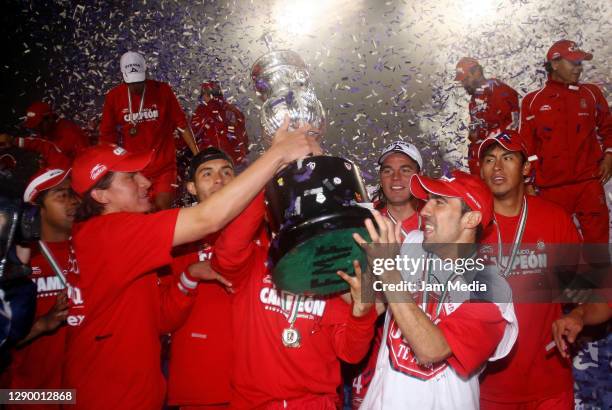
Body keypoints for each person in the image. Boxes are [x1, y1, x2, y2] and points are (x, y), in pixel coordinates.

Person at [62, 119, 319, 410]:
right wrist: (276, 154)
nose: (146, 182)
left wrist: (188, 276)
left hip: (144, 391)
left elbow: (157, 319)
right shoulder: (111, 234)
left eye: (226, 172)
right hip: (110, 396)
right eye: (131, 178)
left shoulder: (114, 240)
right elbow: (208, 218)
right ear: (101, 195)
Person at [210, 179, 378, 408]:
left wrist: (362, 315)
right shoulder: (253, 261)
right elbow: (227, 251)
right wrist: (272, 174)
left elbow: (351, 354)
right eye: (291, 208)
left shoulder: (335, 271)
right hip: (252, 403)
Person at [360, 170, 518, 409]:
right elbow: (371, 303)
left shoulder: (492, 289)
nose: (424, 210)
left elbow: (431, 350)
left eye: (439, 202)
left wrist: (388, 270)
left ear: (471, 219)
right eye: (428, 200)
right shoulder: (413, 243)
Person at [477, 129, 580, 409]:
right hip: (486, 389)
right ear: (481, 171)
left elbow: (599, 293)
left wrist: (579, 315)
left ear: (525, 168)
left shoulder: (554, 219)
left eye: (507, 157)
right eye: (489, 159)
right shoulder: (467, 225)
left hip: (549, 386)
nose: (497, 166)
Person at [350, 140, 424, 408]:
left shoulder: (434, 223)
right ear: (379, 177)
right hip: (371, 345)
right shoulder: (363, 223)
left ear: (419, 177)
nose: (395, 178)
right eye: (387, 170)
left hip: (422, 343)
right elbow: (354, 292)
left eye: (406, 170)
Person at [519, 39, 611, 245]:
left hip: (589, 183)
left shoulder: (591, 93)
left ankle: (599, 277)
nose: (578, 69)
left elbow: (608, 128)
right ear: (555, 64)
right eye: (573, 63)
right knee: (557, 251)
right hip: (551, 189)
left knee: (598, 251)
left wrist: (610, 155)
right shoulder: (532, 101)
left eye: (580, 63)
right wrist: (527, 183)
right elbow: (526, 147)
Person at [165, 148, 236, 408]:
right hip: (202, 387)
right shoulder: (174, 238)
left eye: (227, 172)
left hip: (259, 386)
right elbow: (163, 319)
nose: (219, 179)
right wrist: (189, 275)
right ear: (192, 188)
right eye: (208, 173)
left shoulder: (262, 229)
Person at [7, 167, 78, 410]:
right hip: (27, 395)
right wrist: (43, 324)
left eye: (73, 194)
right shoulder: (16, 260)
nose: (73, 202)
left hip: (83, 390)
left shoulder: (89, 247)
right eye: (61, 195)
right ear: (36, 209)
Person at [99, 51, 199, 210]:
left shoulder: (163, 90)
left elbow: (182, 125)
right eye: (131, 83)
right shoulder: (114, 97)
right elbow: (106, 136)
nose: (136, 86)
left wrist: (198, 155)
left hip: (164, 167)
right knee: (141, 216)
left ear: (146, 73)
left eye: (139, 81)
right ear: (123, 76)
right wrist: (106, 168)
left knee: (160, 210)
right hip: (134, 170)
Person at [455, 57, 520, 175]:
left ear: (477, 72)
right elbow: (478, 132)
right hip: (481, 166)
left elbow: (513, 125)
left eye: (466, 79)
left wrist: (491, 146)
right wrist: (474, 134)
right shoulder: (474, 99)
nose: (463, 84)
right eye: (462, 81)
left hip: (498, 167)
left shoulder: (498, 90)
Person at [0, 101, 88, 167]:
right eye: (33, 126)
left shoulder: (71, 135)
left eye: (37, 125)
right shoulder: (47, 131)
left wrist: (49, 166)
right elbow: (38, 143)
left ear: (49, 119)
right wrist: (13, 140)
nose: (35, 128)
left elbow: (85, 163)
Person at [191, 81, 249, 167]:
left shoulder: (202, 110)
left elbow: (193, 132)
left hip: (214, 160)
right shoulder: (233, 108)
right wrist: (245, 151)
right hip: (237, 160)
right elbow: (242, 132)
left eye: (203, 95)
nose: (203, 98)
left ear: (206, 94)